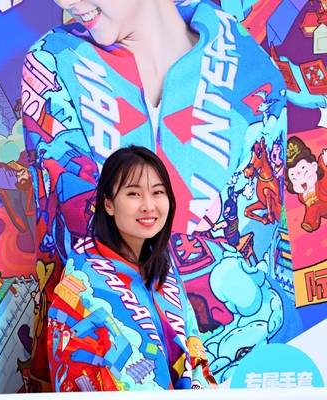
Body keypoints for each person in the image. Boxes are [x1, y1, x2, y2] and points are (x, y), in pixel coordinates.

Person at [22, 0, 290, 391]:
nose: (65, 2)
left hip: (244, 372)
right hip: (117, 369)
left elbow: (259, 246)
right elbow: (80, 234)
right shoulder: (54, 62)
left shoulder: (249, 67)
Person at [47, 145, 216, 391]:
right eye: (134, 194)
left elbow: (192, 342)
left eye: (157, 192)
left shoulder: (162, 264)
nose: (148, 205)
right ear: (108, 204)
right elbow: (77, 371)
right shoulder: (82, 281)